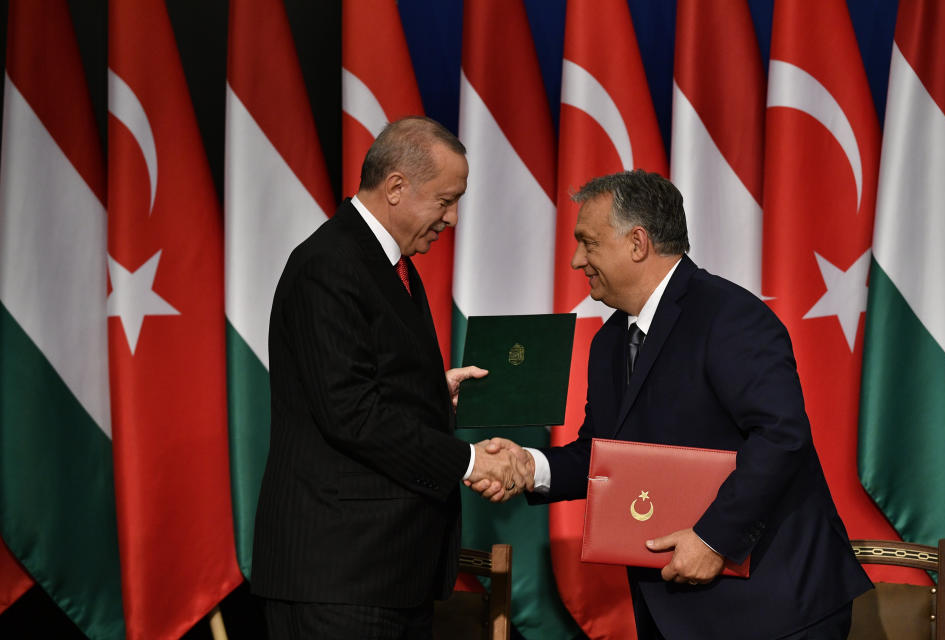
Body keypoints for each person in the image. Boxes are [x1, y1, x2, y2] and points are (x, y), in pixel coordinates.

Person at [476, 170, 872, 639]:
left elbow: (781, 436)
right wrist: (530, 467)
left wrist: (713, 539)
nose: (576, 259)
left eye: (588, 242)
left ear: (637, 243)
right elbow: (603, 454)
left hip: (773, 608)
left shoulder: (729, 315)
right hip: (675, 611)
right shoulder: (608, 343)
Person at [251, 116, 529, 639]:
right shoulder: (329, 264)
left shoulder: (386, 264)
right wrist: (468, 461)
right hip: (340, 576)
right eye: (445, 200)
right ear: (396, 187)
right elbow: (350, 413)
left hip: (387, 573)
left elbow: (361, 382)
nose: (452, 218)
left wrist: (429, 389)